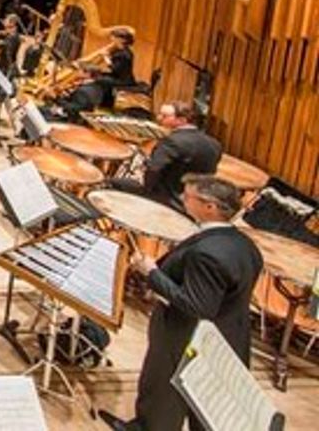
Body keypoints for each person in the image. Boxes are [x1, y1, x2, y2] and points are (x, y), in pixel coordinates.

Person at [101, 176, 263, 431]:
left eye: (188, 197)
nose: (182, 200)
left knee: (163, 398)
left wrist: (151, 272)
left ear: (210, 206)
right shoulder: (246, 245)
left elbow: (196, 306)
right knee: (201, 406)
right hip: (226, 337)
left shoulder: (208, 254)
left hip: (184, 338)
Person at [141, 103, 221, 208]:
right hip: (196, 203)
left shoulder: (172, 141)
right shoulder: (215, 143)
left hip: (169, 199)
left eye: (164, 116)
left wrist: (146, 191)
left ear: (182, 120)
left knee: (116, 183)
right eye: (159, 114)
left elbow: (153, 169)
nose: (158, 118)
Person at [61, 27, 137, 116]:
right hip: (117, 76)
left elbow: (113, 69)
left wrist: (105, 58)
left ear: (122, 40)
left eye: (114, 37)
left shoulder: (125, 54)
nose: (112, 39)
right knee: (96, 74)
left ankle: (96, 101)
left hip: (123, 80)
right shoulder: (121, 51)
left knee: (97, 79)